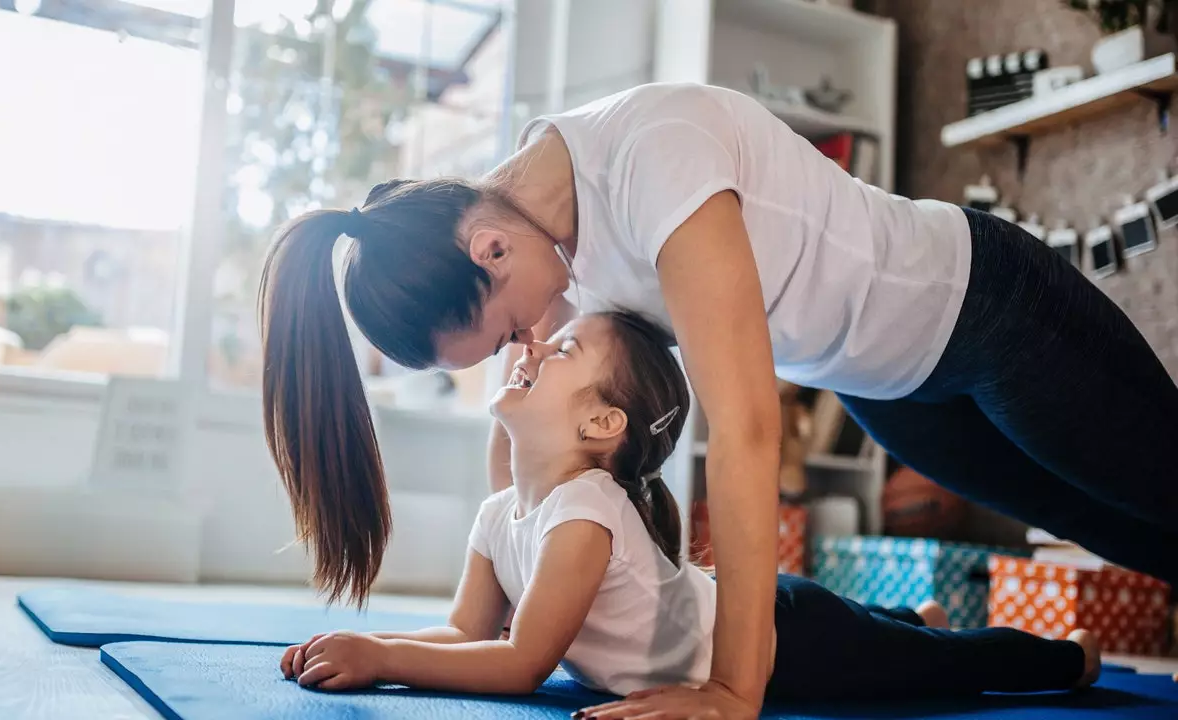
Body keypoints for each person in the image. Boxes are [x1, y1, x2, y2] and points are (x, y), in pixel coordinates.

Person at [258, 82, 1178, 717]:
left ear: (490, 251)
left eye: (505, 335)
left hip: (987, 308)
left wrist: (736, 690)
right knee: (1112, 526)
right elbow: (533, 449)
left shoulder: (652, 161)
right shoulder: (538, 243)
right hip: (885, 387)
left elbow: (742, 430)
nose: (525, 350)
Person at [277, 312, 1101, 712]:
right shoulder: (502, 514)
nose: (533, 349)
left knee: (947, 676)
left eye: (560, 350)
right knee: (893, 633)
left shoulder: (583, 514)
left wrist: (379, 658)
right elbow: (467, 633)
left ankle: (1065, 660)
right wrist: (363, 645)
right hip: (748, 606)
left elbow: (523, 661)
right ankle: (907, 614)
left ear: (603, 426)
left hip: (788, 640)